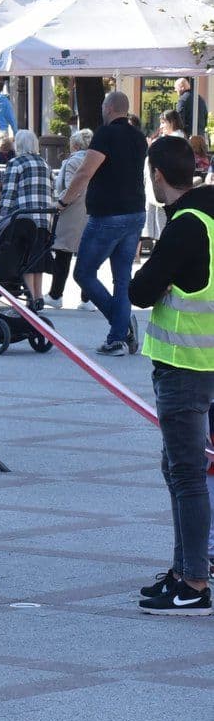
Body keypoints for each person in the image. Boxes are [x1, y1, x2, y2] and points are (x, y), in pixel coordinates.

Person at [130, 134, 214, 613]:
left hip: (186, 366)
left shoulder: (185, 224)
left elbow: (141, 291)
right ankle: (186, 568)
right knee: (190, 472)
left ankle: (194, 583)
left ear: (157, 176)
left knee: (184, 474)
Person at [58, 91, 148, 354]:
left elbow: (86, 170)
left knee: (83, 273)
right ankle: (118, 336)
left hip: (108, 215)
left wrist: (64, 200)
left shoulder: (106, 134)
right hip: (135, 212)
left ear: (108, 108)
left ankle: (120, 330)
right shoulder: (139, 137)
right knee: (122, 279)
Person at [0, 130, 58, 307]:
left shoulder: (15, 163)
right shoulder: (44, 164)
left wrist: (1, 219)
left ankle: (30, 297)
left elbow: (9, 193)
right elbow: (52, 191)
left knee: (24, 258)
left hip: (24, 218)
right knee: (37, 258)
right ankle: (38, 296)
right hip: (44, 218)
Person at [48, 129, 93, 302]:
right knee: (87, 258)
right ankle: (86, 299)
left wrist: (59, 203)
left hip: (71, 213)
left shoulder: (74, 161)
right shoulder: (96, 160)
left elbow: (71, 187)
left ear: (75, 145)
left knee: (63, 256)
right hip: (90, 212)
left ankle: (56, 295)